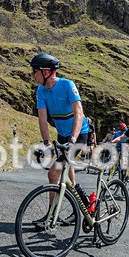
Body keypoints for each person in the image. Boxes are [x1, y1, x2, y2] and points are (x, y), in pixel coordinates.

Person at [31, 52, 90, 193]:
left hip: (79, 134)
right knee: (68, 176)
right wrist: (47, 144)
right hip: (62, 135)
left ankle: (52, 215)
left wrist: (73, 140)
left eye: (35, 72)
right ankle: (82, 206)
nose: (32, 75)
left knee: (53, 174)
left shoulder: (68, 85)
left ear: (46, 72)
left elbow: (79, 114)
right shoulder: (41, 91)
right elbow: (43, 120)